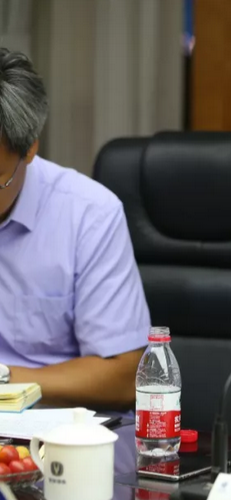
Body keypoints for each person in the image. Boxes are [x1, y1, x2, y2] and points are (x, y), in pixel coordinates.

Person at [0, 48, 150, 408]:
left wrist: (5, 378)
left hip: (46, 430)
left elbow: (123, 375)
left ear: (30, 149)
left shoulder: (89, 215)